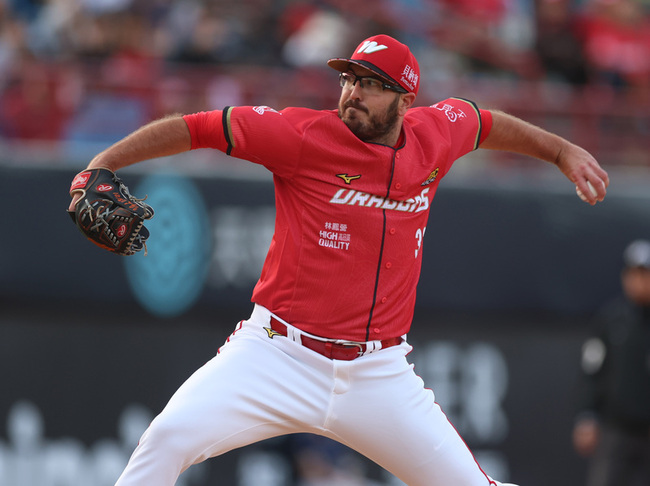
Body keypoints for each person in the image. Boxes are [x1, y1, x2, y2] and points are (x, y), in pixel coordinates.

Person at [68, 34, 609, 486]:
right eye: (349, 79)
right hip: (277, 354)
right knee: (165, 441)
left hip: (378, 372)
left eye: (371, 84)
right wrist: (102, 163)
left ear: (405, 100)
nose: (353, 93)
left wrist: (561, 151)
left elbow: (485, 123)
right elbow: (198, 127)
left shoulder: (436, 135)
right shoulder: (301, 135)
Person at [572, 239, 650, 486]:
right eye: (634, 274)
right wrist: (587, 415)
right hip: (616, 429)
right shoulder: (611, 320)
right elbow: (591, 370)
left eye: (645, 275)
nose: (639, 281)